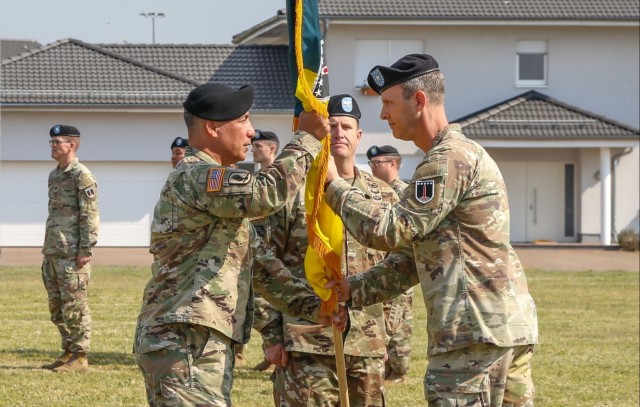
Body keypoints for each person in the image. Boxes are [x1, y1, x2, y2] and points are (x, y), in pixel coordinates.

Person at [325, 54, 538, 406]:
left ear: (419, 101)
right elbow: (416, 257)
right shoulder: (449, 157)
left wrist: (335, 186)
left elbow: (391, 231)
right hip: (493, 329)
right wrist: (353, 289)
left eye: (390, 103)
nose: (383, 114)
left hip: (475, 335)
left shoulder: (447, 159)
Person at [133, 82, 344, 407]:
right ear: (213, 127)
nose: (251, 132)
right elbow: (265, 193)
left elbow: (260, 266)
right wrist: (308, 138)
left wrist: (315, 307)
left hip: (197, 337)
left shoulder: (217, 195)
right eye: (243, 120)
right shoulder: (197, 176)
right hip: (185, 336)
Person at [260, 94, 398, 406]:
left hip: (368, 341)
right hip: (305, 340)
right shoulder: (293, 193)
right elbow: (264, 264)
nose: (338, 133)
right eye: (332, 125)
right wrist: (271, 336)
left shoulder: (383, 197)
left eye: (347, 126)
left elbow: (396, 270)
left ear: (359, 135)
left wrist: (392, 337)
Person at [41, 124, 99, 373]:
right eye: (51, 142)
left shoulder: (81, 175)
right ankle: (67, 351)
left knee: (75, 305)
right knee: (57, 306)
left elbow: (90, 214)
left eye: (57, 142)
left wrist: (86, 249)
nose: (53, 146)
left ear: (71, 145)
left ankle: (80, 356)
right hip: (54, 250)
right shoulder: (55, 175)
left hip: (73, 253)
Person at [366, 144, 414, 384]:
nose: (373, 167)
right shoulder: (374, 192)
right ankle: (389, 367)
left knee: (398, 320)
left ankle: (399, 371)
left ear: (393, 164)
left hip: (399, 266)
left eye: (378, 163)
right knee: (386, 318)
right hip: (379, 265)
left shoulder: (404, 193)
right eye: (372, 164)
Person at [247, 129, 282, 372]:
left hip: (281, 249)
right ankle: (271, 349)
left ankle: (277, 350)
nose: (253, 148)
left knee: (278, 303)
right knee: (259, 303)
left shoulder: (281, 178)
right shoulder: (253, 179)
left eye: (258, 145)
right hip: (259, 250)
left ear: (272, 149)